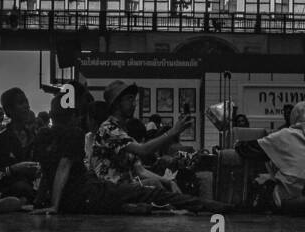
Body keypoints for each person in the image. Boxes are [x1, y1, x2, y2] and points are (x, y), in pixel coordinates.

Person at [30, 92, 230, 216]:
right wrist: (54, 206)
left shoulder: (43, 135)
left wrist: (42, 202)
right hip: (91, 192)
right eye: (129, 100)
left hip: (91, 192)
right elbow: (63, 167)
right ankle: (219, 207)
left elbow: (47, 171)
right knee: (153, 191)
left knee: (154, 190)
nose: (134, 104)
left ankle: (211, 206)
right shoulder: (93, 131)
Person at [91, 80, 193, 186]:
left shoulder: (122, 132)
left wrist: (169, 182)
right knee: (157, 185)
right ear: (116, 103)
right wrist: (173, 131)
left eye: (134, 99)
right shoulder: (108, 129)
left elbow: (140, 170)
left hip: (125, 189)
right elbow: (143, 150)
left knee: (164, 185)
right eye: (129, 99)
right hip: (110, 190)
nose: (134, 104)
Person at [235, 101, 305, 204]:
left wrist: (238, 144)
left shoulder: (286, 134)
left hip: (292, 191)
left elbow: (253, 149)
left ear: (294, 116)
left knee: (261, 184)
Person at [0, 87, 42, 203]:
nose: (27, 106)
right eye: (21, 103)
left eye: (26, 102)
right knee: (21, 187)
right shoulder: (1, 138)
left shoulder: (34, 136)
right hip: (9, 187)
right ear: (9, 110)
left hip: (32, 185)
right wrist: (13, 169)